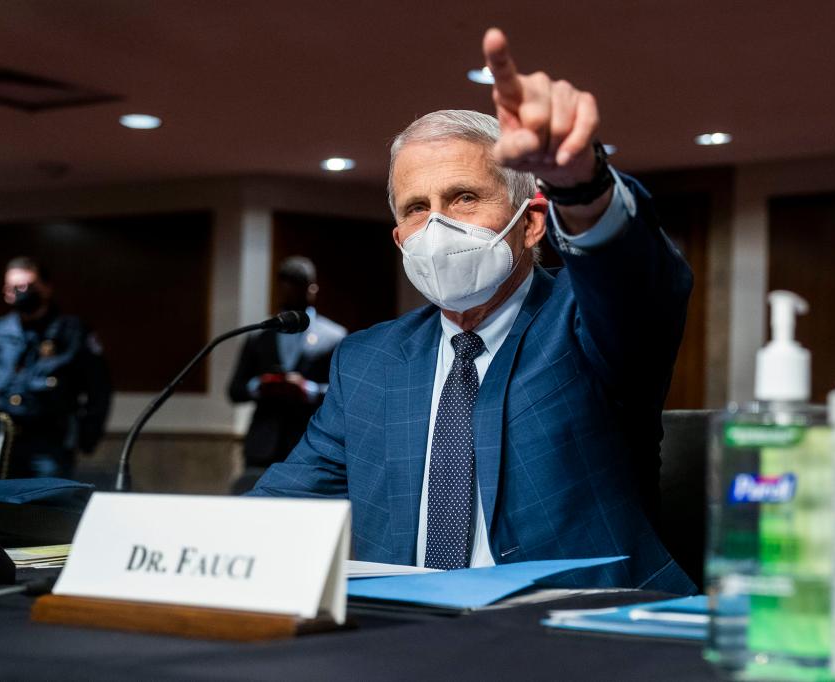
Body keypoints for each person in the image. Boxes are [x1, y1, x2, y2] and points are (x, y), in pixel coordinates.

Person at [251, 29, 695, 593]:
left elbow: (637, 283)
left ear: (532, 222)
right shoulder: (366, 361)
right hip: (403, 636)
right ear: (399, 237)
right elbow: (284, 503)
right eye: (417, 207)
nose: (437, 225)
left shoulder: (582, 322)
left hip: (577, 637)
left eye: (463, 197)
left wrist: (581, 187)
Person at [0, 257, 111, 479]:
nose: (20, 292)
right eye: (13, 287)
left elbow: (99, 388)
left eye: (28, 286)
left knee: (45, 508)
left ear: (46, 287)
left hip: (48, 443)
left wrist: (87, 437)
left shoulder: (72, 332)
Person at [228, 257, 347, 487]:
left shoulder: (334, 336)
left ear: (312, 288)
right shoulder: (260, 335)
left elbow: (343, 394)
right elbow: (234, 390)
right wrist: (260, 385)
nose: (291, 290)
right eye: (287, 284)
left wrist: (308, 389)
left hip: (309, 443)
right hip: (262, 446)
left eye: (298, 284)